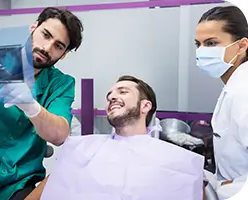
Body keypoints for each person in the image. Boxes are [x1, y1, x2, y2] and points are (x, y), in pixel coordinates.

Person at [0, 7, 83, 200]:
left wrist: (32, 107)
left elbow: (60, 135)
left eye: (58, 46)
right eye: (45, 35)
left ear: (63, 55)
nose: (47, 48)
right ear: (33, 27)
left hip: (17, 182)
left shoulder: (61, 84)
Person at [25, 75, 205, 200]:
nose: (112, 97)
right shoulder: (82, 148)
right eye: (110, 95)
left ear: (145, 106)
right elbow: (49, 188)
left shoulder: (175, 161)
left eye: (123, 92)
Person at [195, 5, 248, 199]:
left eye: (210, 43)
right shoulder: (233, 87)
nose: (201, 51)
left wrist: (225, 188)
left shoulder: (243, 92)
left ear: (241, 46)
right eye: (197, 44)